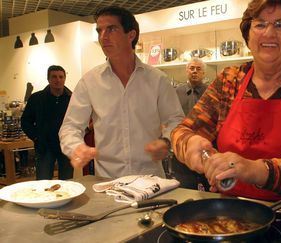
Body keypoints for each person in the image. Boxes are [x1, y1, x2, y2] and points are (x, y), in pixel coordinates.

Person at [171, 0, 281, 209]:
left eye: (280, 25)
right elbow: (182, 131)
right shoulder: (229, 81)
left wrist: (253, 170)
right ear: (248, 36)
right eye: (260, 24)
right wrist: (189, 145)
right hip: (237, 214)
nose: (269, 33)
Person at [59, 6, 184, 178]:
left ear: (131, 35)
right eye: (99, 31)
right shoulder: (90, 81)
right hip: (108, 182)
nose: (103, 37)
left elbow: (175, 120)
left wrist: (165, 141)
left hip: (150, 179)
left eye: (111, 29)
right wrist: (76, 147)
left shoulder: (157, 79)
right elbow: (70, 126)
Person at [21, 65, 73, 180]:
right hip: (44, 147)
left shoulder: (72, 99)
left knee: (68, 182)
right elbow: (25, 121)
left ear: (65, 78)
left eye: (61, 77)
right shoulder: (36, 98)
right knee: (43, 183)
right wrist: (36, 137)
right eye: (54, 77)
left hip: (66, 146)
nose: (58, 80)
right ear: (48, 79)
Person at [172, 58, 209, 190]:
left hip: (206, 146)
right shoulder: (176, 92)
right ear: (186, 71)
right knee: (185, 186)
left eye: (198, 69)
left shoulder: (210, 92)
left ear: (204, 73)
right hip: (182, 147)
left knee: (209, 185)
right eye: (192, 68)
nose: (194, 71)